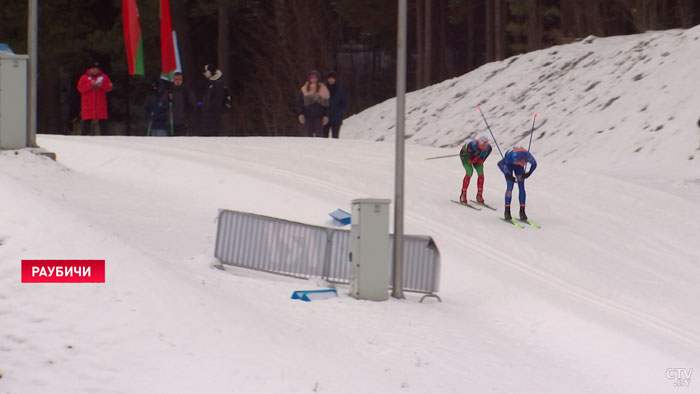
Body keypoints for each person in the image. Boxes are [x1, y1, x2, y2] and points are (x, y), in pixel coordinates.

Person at [497, 147, 537, 220]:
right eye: (522, 162)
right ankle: (507, 211)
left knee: (521, 187)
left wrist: (529, 173)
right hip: (509, 165)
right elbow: (500, 164)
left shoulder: (528, 157)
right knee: (510, 186)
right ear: (518, 159)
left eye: (525, 163)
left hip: (518, 167)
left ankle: (522, 211)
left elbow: (534, 164)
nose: (523, 164)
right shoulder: (511, 157)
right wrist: (507, 175)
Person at [77, 61, 113, 135]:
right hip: (88, 105)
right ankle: (83, 137)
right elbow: (80, 89)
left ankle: (105, 137)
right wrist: (91, 84)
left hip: (100, 104)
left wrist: (101, 85)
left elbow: (109, 87)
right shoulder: (84, 78)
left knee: (103, 122)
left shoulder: (103, 77)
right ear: (89, 69)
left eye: (96, 69)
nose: (94, 70)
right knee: (86, 123)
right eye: (93, 69)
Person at [295, 70, 329, 137]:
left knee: (319, 138)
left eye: (315, 77)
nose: (313, 79)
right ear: (309, 78)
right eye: (311, 77)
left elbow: (327, 105)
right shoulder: (304, 89)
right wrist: (300, 114)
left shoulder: (323, 89)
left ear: (318, 78)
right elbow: (298, 103)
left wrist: (326, 115)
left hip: (319, 117)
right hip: (307, 117)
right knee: (308, 137)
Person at [459, 136, 492, 204]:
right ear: (479, 143)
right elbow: (469, 158)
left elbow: (487, 154)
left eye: (486, 145)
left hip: (478, 157)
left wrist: (482, 159)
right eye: (482, 145)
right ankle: (463, 194)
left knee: (481, 174)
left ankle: (479, 194)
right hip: (466, 156)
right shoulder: (472, 145)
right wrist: (474, 159)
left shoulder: (489, 148)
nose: (484, 147)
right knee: (470, 172)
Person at [162, 72, 196, 136]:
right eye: (176, 79)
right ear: (173, 80)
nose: (178, 81)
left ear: (182, 80)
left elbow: (192, 104)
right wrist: (168, 99)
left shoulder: (186, 90)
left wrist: (187, 115)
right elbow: (163, 104)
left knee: (181, 142)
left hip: (182, 122)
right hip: (171, 121)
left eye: (179, 79)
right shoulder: (169, 91)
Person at [200, 63, 226, 136]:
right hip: (208, 114)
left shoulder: (217, 83)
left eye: (205, 72)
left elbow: (218, 99)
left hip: (213, 115)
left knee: (212, 133)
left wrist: (211, 109)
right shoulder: (211, 82)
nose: (204, 74)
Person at [323, 71, 348, 138]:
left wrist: (340, 111)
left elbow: (344, 102)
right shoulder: (323, 89)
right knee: (323, 138)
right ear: (327, 79)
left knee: (335, 138)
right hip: (325, 116)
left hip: (336, 117)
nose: (331, 80)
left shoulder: (340, 89)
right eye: (329, 78)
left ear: (335, 79)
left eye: (333, 78)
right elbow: (320, 102)